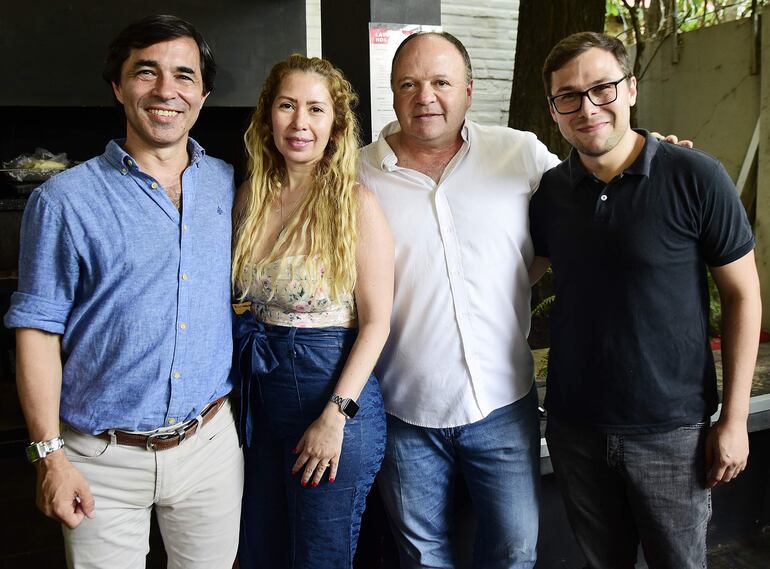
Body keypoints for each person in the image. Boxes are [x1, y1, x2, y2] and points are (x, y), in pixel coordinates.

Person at [4, 15, 243, 569]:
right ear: (118, 85)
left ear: (202, 95)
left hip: (209, 447)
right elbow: (38, 331)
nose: (166, 91)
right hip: (99, 458)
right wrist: (50, 456)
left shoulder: (227, 184)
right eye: (146, 72)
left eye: (184, 76)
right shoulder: (63, 200)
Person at [529, 31, 761, 569]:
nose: (587, 108)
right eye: (569, 96)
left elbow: (744, 296)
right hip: (574, 428)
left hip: (671, 433)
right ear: (554, 110)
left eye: (602, 88)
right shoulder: (550, 195)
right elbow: (514, 278)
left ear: (630, 89)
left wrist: (734, 419)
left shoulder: (696, 176)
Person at [357, 31, 560, 568]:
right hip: (402, 407)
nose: (426, 96)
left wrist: (652, 156)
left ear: (468, 90)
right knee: (422, 557)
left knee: (516, 547)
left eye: (441, 82)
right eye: (409, 84)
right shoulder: (355, 174)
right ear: (393, 94)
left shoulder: (519, 155)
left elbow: (589, 207)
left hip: (502, 402)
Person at [232, 54, 393, 569]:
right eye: (287, 105)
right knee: (259, 551)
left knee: (318, 559)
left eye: (316, 109)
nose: (300, 123)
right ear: (267, 117)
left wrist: (335, 417)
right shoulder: (248, 198)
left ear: (335, 125)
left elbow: (377, 324)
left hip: (331, 393)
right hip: (260, 396)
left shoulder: (356, 204)